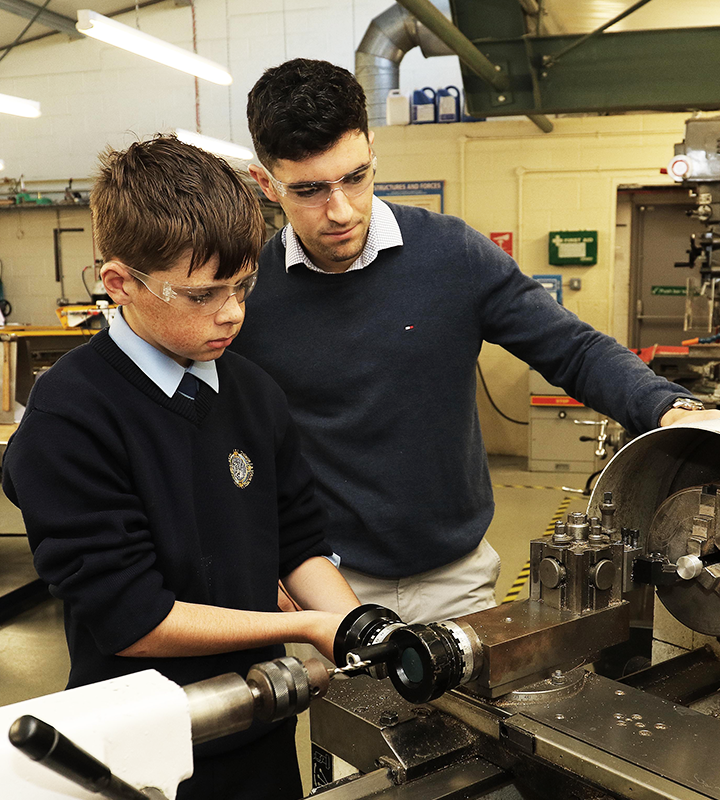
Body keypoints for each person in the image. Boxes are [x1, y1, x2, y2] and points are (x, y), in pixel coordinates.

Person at [233, 58, 720, 626]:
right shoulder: (247, 294)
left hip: (454, 577)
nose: (339, 210)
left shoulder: (453, 255)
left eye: (355, 177)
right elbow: (228, 443)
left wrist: (668, 408)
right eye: (310, 190)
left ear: (372, 151)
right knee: (351, 716)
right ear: (266, 184)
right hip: (324, 578)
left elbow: (573, 349)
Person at [2, 135, 359, 800]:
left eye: (244, 285)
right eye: (202, 294)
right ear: (119, 284)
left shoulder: (252, 391)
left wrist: (360, 625)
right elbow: (134, 618)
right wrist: (305, 627)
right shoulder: (71, 419)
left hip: (261, 725)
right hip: (142, 752)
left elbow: (299, 541)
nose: (232, 312)